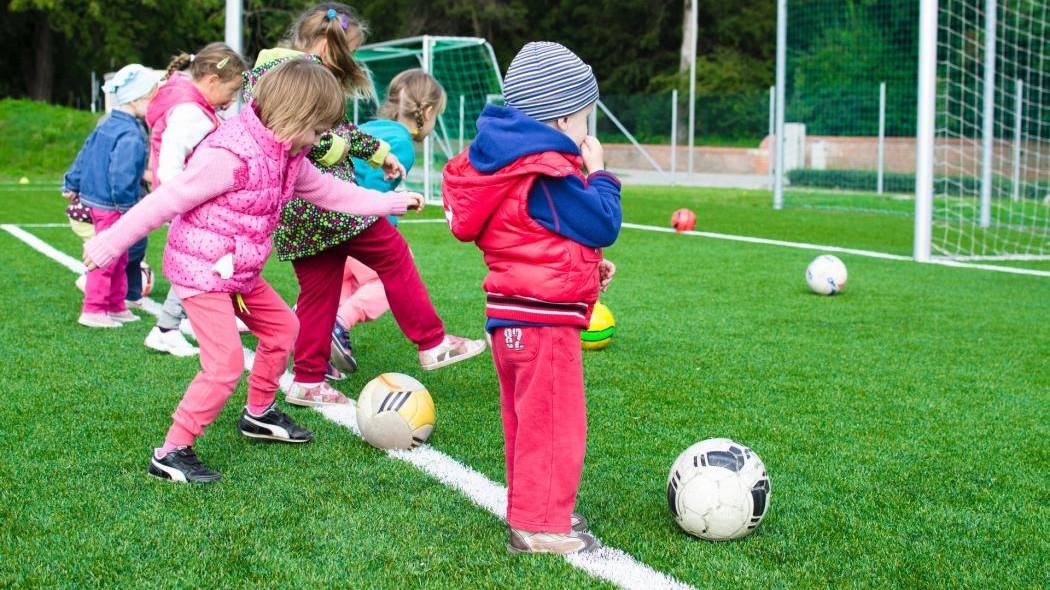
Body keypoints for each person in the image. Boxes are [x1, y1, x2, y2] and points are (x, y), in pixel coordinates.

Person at [82, 59, 423, 483]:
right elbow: (166, 200)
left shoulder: (289, 153)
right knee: (224, 365)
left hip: (238, 272)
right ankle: (171, 451)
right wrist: (109, 243)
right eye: (318, 131)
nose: (321, 141)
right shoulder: (229, 155)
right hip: (202, 272)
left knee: (284, 329)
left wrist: (389, 202)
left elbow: (329, 192)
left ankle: (258, 413)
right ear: (294, 117)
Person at [244, 3, 484, 408]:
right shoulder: (297, 75)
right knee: (393, 254)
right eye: (346, 51)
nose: (348, 61)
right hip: (326, 203)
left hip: (296, 212)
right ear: (325, 43)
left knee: (320, 292)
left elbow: (336, 129)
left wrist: (378, 154)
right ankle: (432, 342)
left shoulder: (270, 71)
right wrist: (343, 152)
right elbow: (308, 137)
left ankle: (307, 379)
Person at [442, 42, 622, 554]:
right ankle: (540, 525)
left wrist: (587, 271)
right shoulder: (546, 171)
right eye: (586, 118)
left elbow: (534, 238)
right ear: (563, 117)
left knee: (528, 422)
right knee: (554, 424)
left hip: (514, 317)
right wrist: (601, 174)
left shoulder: (509, 166)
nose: (589, 131)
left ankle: (534, 507)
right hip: (542, 325)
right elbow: (602, 221)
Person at [331, 69, 447, 372]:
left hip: (328, 221)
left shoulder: (372, 128)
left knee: (340, 286)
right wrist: (395, 205)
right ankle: (339, 325)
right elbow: (370, 191)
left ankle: (311, 333)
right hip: (355, 224)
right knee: (389, 280)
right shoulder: (403, 145)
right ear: (429, 111)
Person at [141, 42, 247, 357]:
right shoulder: (191, 113)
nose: (231, 101)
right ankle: (166, 328)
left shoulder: (195, 106)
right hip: (188, 202)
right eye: (231, 90)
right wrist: (181, 201)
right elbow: (171, 162)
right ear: (212, 81)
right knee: (200, 262)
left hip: (191, 200)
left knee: (213, 258)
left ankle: (191, 319)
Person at [63, 64, 161, 328]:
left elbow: (85, 152)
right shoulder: (130, 133)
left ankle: (116, 305)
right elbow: (122, 173)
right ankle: (94, 309)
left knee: (120, 255)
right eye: (153, 98)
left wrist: (71, 181)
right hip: (114, 205)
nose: (155, 104)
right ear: (138, 99)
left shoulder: (108, 123)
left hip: (100, 200)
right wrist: (128, 208)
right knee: (108, 256)